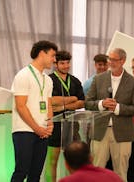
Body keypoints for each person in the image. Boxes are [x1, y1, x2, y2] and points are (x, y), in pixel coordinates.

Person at [85, 48, 134, 182]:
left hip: (123, 134)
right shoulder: (98, 79)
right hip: (100, 132)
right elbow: (87, 103)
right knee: (96, 172)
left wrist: (118, 108)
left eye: (114, 60)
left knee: (121, 173)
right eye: (109, 59)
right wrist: (101, 104)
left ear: (123, 61)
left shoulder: (133, 82)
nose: (110, 62)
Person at [11, 40, 57, 181]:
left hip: (42, 132)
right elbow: (21, 106)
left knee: (36, 173)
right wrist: (36, 128)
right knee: (21, 171)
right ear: (42, 53)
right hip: (24, 130)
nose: (54, 60)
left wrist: (50, 124)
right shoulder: (23, 75)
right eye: (52, 55)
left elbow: (48, 104)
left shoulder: (47, 80)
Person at [45, 50, 85, 182]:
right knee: (52, 162)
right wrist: (71, 99)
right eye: (62, 63)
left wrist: (63, 106)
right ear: (55, 64)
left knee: (74, 163)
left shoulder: (75, 81)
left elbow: (81, 102)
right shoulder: (48, 80)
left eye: (68, 63)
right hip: (54, 126)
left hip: (72, 125)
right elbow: (50, 101)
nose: (66, 66)